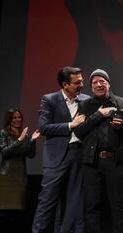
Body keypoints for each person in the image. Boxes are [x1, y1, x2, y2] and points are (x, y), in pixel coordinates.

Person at [74, 69, 123, 233]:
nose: (98, 84)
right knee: (91, 206)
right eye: (94, 82)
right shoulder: (85, 105)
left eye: (102, 81)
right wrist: (98, 115)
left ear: (108, 83)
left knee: (119, 205)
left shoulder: (122, 103)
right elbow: (78, 132)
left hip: (115, 162)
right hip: (91, 162)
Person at [32, 66, 90, 233]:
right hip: (56, 157)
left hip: (78, 154)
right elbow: (44, 128)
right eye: (77, 82)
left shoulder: (86, 100)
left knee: (75, 202)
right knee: (48, 199)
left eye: (82, 81)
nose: (81, 85)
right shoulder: (49, 100)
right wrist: (71, 125)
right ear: (65, 85)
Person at [0, 109, 40, 233]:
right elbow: (5, 153)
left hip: (20, 176)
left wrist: (32, 141)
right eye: (14, 117)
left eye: (19, 117)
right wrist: (20, 140)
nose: (17, 120)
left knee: (17, 211)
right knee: (3, 212)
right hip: (6, 176)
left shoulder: (23, 134)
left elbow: (30, 155)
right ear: (9, 119)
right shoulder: (4, 133)